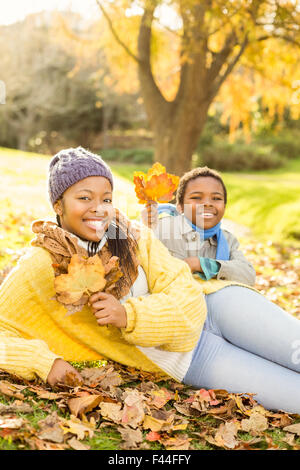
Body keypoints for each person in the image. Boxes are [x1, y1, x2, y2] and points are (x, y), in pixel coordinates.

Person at [0, 147, 300, 415]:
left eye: (106, 198)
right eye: (83, 198)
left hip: (219, 307)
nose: (98, 208)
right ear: (57, 204)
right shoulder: (41, 264)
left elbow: (188, 296)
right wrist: (43, 363)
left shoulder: (128, 235)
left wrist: (128, 315)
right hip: (194, 360)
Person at [141, 167, 256, 286]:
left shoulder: (228, 240)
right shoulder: (164, 228)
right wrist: (147, 229)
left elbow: (248, 275)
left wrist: (200, 264)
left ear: (224, 206)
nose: (207, 203)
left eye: (216, 198)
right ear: (180, 206)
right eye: (196, 197)